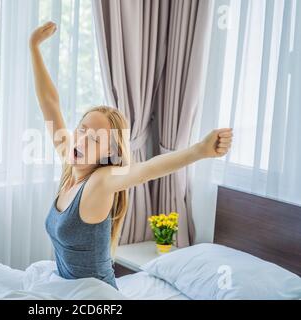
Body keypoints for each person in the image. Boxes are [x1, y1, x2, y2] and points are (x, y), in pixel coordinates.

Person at [29, 21, 233, 290]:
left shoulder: (100, 182)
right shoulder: (71, 159)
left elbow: (147, 169)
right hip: (66, 289)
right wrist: (34, 47)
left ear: (109, 152)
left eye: (95, 139)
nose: (81, 139)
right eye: (82, 130)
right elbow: (50, 105)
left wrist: (200, 150)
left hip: (94, 297)